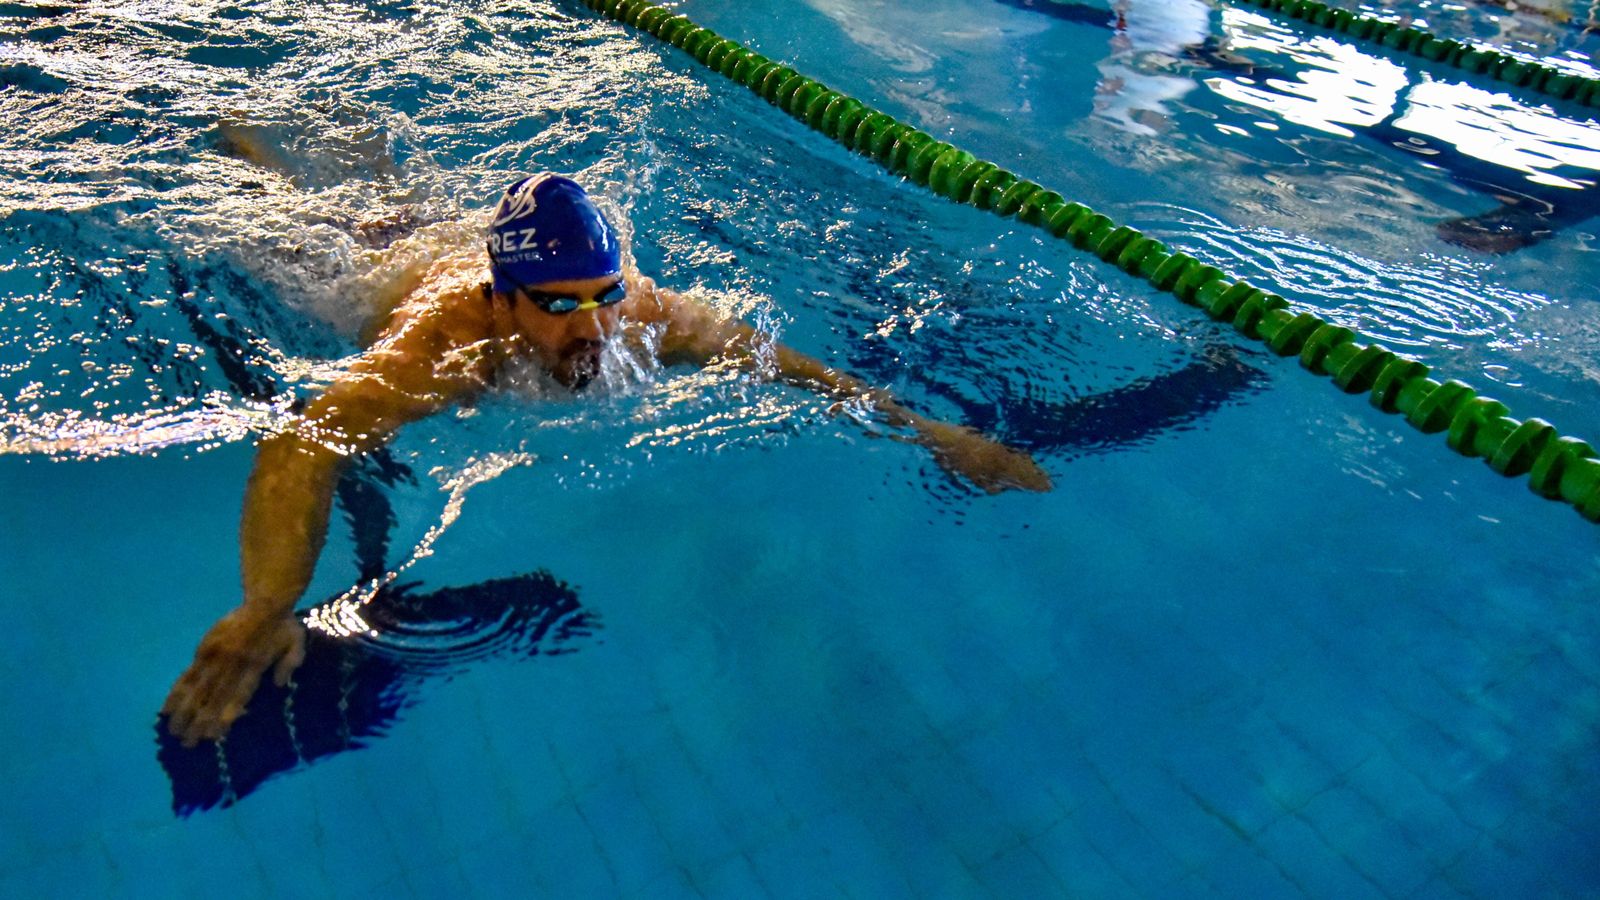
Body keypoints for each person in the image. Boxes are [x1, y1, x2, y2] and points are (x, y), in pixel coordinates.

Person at [161, 172, 1052, 746]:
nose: (592, 329)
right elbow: (303, 445)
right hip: (349, 269)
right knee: (288, 204)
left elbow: (792, 368)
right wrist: (266, 605)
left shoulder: (652, 317)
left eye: (605, 296)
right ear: (503, 301)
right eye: (557, 305)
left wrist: (934, 432)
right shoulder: (441, 348)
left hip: (435, 239)